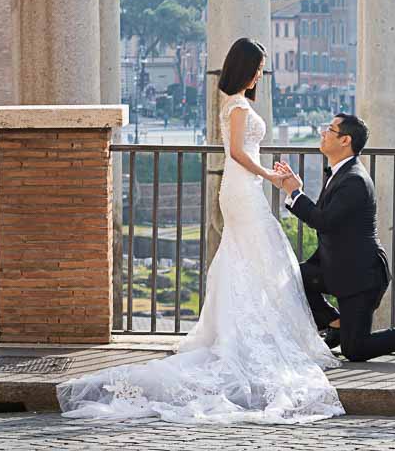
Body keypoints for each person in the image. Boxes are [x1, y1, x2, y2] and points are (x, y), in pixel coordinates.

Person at [57, 38, 343, 424]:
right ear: (244, 67)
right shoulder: (239, 106)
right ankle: (248, 335)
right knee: (260, 252)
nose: (261, 73)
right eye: (257, 66)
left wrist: (264, 176)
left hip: (243, 187)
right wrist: (271, 177)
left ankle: (246, 330)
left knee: (248, 256)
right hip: (243, 187)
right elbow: (238, 153)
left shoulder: (238, 102)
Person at [270, 113, 395, 363]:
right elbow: (325, 216)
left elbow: (324, 221)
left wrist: (295, 193)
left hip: (362, 276)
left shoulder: (354, 180)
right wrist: (296, 190)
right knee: (294, 278)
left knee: (355, 350)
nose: (323, 133)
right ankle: (335, 325)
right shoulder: (340, 172)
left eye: (329, 130)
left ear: (345, 140)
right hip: (338, 268)